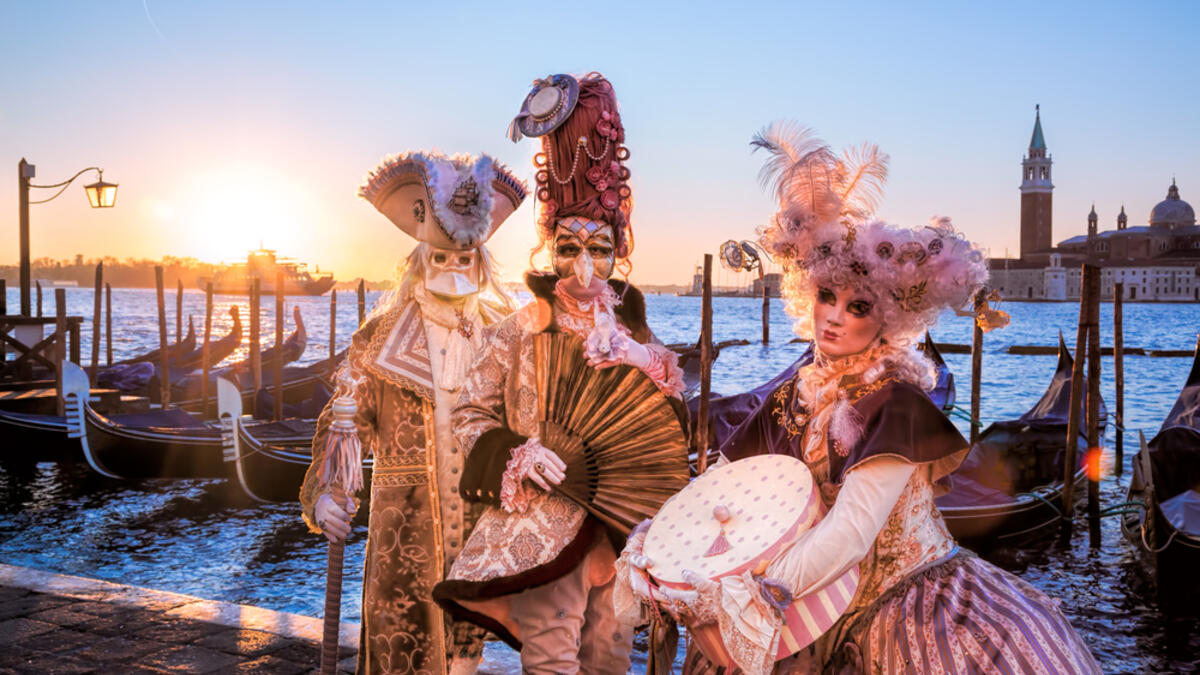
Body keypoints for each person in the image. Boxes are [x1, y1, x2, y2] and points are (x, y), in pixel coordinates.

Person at [620, 123, 1100, 675]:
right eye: (827, 296)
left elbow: (851, 533)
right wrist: (661, 542)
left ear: (889, 317)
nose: (834, 316)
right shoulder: (793, 395)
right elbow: (724, 484)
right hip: (809, 607)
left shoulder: (895, 404)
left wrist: (755, 592)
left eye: (859, 307)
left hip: (898, 602)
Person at [432, 72, 686, 675]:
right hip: (544, 522)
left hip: (625, 524)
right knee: (551, 656)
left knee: (609, 653)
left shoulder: (638, 333)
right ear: (551, 250)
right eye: (569, 247)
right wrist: (519, 454)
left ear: (616, 253)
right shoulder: (516, 331)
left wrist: (637, 357)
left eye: (598, 249)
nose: (582, 265)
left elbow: (671, 413)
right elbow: (468, 413)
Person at [300, 150, 527, 674]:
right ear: (420, 259)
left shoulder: (505, 336)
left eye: (462, 260)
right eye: (440, 258)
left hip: (479, 528)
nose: (451, 269)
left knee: (468, 653)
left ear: (481, 262)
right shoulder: (379, 338)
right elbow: (346, 425)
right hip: (405, 527)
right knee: (402, 654)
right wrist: (329, 494)